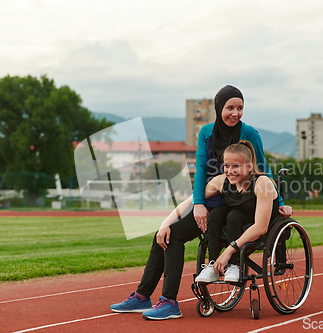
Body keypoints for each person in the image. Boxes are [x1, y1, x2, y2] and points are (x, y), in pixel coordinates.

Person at [110, 85, 292, 320]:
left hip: (240, 202)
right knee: (166, 234)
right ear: (219, 108)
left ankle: (167, 301)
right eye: (230, 108)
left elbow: (262, 170)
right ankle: (144, 297)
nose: (235, 113)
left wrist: (280, 203)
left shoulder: (250, 134)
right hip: (213, 195)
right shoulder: (205, 133)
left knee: (221, 219)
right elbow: (201, 171)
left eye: (240, 108)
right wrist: (198, 204)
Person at [195, 140, 282, 283]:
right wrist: (166, 224)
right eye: (226, 166)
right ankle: (211, 265)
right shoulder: (221, 181)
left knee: (234, 215)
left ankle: (234, 265)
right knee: (217, 214)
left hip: (256, 228)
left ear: (249, 167)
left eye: (236, 166)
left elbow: (261, 227)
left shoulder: (262, 183)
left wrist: (229, 251)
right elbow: (195, 197)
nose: (230, 170)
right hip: (234, 222)